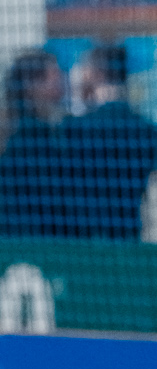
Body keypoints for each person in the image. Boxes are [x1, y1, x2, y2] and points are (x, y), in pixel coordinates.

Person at [64, 42, 157, 239]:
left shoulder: (74, 129)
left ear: (97, 72)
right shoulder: (146, 129)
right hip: (129, 236)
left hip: (83, 241)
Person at [0, 49, 67, 236]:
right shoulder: (29, 136)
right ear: (33, 85)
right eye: (54, 75)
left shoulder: (45, 128)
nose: (61, 80)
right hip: (33, 241)